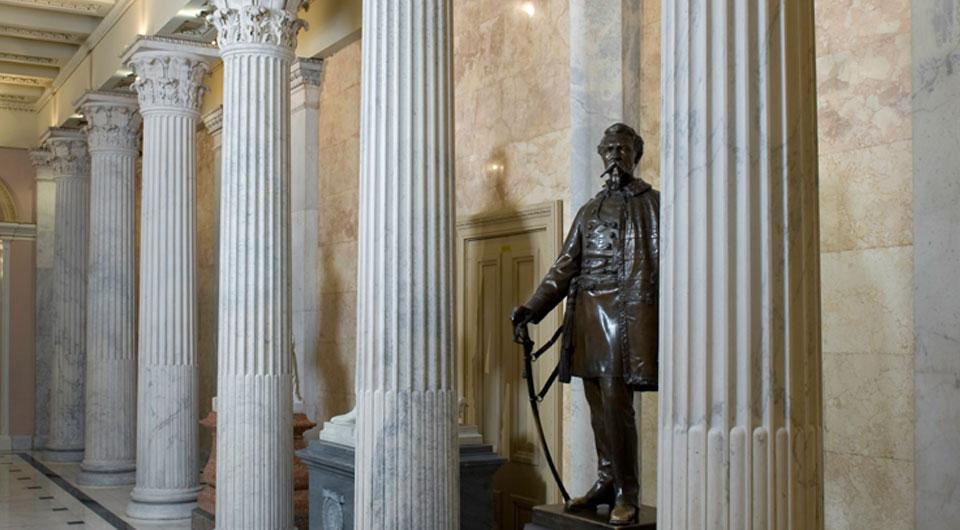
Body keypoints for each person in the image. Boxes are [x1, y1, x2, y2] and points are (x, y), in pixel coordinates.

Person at [511, 123, 659, 526]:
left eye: (622, 148)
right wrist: (531, 309)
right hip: (589, 315)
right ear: (600, 154)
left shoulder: (654, 205)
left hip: (626, 315)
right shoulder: (589, 210)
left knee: (616, 404)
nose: (614, 155)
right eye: (608, 148)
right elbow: (564, 267)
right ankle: (606, 480)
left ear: (635, 154)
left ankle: (628, 490)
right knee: (597, 403)